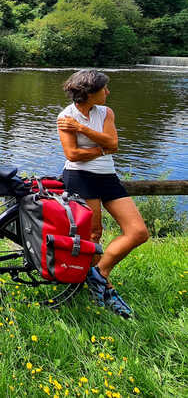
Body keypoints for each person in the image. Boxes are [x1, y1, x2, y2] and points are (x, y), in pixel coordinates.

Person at [56, 69, 149, 318]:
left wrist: (83, 130)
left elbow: (114, 144)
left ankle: (99, 275)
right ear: (89, 93)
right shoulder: (66, 116)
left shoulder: (106, 112)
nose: (108, 92)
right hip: (80, 177)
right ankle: (103, 291)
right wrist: (101, 149)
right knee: (94, 235)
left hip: (108, 177)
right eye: (104, 88)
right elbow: (73, 155)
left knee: (138, 232)